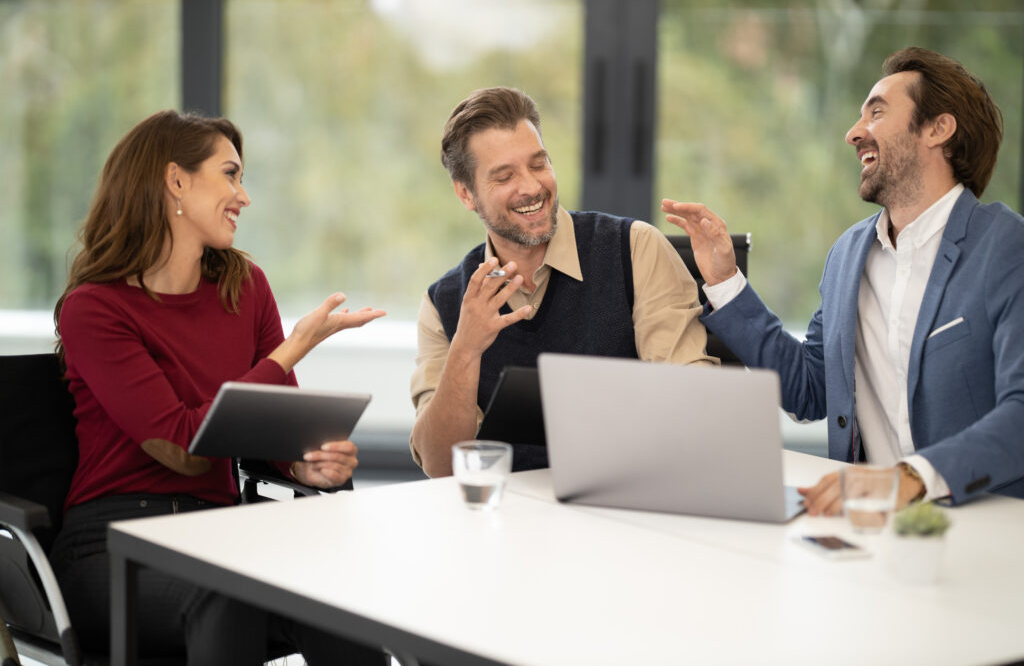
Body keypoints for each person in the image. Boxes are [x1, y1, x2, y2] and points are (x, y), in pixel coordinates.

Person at [49, 110, 388, 664]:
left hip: (221, 535)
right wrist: (292, 348)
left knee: (337, 591)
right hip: (111, 545)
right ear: (175, 181)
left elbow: (277, 430)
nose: (243, 196)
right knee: (226, 593)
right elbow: (180, 448)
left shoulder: (245, 286)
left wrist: (302, 463)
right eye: (230, 175)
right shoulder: (95, 308)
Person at [663, 47, 1024, 515]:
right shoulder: (848, 256)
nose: (854, 133)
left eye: (876, 112)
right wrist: (725, 281)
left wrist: (912, 479)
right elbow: (811, 389)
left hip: (987, 526)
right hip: (871, 525)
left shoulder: (1006, 246)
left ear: (938, 129)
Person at [410, 86, 715, 477]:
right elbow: (441, 467)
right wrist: (466, 349)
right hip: (506, 520)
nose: (532, 187)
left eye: (538, 164)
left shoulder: (635, 249)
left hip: (629, 499)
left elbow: (696, 403)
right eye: (504, 176)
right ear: (466, 194)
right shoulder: (444, 305)